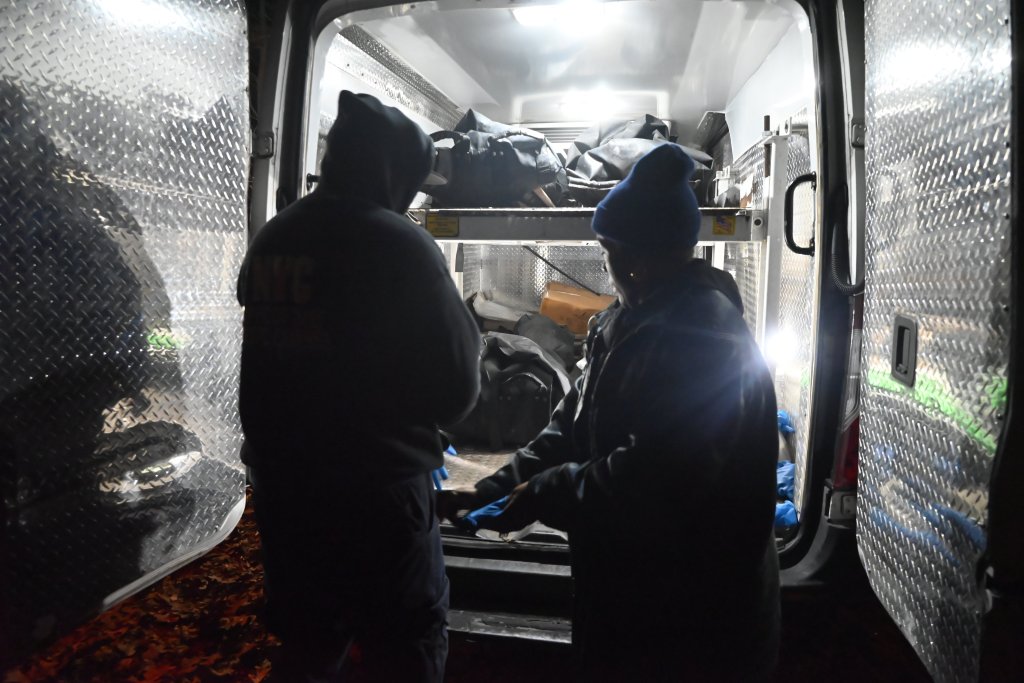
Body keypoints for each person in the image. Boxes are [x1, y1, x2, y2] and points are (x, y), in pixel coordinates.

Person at [439, 143, 780, 682]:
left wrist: (548, 493)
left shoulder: (706, 339)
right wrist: (495, 487)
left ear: (637, 256)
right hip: (633, 586)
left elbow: (660, 479)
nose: (605, 261)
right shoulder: (627, 317)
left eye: (607, 248)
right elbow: (570, 423)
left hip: (696, 609)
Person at [237, 91, 481, 682]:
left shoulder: (274, 238)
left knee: (311, 645)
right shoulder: (399, 243)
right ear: (390, 171)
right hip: (378, 498)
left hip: (287, 494)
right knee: (405, 647)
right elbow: (456, 391)